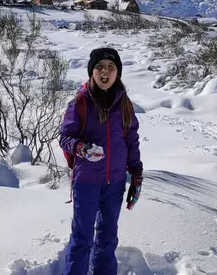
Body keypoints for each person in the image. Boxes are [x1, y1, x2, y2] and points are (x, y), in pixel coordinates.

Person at [59, 47, 143, 275]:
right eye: (99, 67)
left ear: (118, 73)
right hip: (86, 181)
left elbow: (131, 140)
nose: (105, 72)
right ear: (91, 71)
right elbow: (64, 137)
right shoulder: (80, 103)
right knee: (82, 238)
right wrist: (80, 147)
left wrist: (136, 173)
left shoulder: (124, 104)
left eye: (111, 67)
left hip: (115, 182)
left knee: (107, 239)